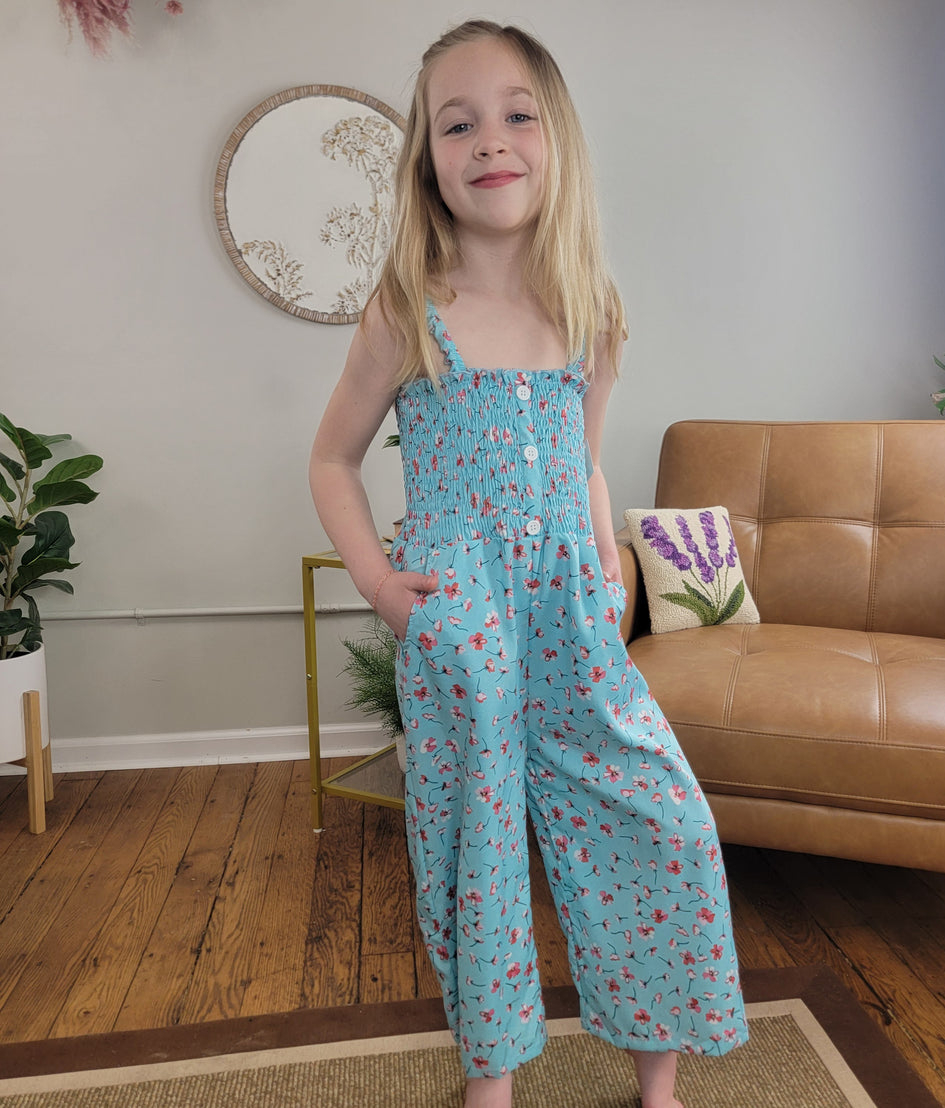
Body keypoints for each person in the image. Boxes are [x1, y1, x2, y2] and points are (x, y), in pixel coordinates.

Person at [309, 20, 748, 1108]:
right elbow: (331, 459)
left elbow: (585, 462)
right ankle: (490, 1082)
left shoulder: (591, 311)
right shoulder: (407, 310)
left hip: (571, 608)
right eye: (456, 123)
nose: (487, 140)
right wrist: (376, 580)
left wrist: (604, 558)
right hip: (459, 603)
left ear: (556, 144)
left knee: (660, 815)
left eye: (514, 116)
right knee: (477, 837)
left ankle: (660, 1081)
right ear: (428, 160)